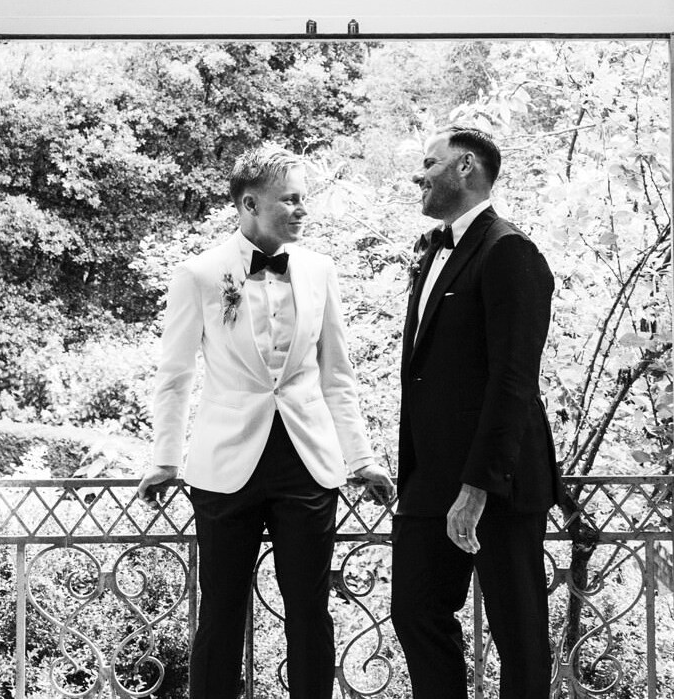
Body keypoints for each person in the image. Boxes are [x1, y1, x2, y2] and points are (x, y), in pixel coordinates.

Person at [136, 144, 395, 699]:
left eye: (304, 199)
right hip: (225, 466)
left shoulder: (320, 271)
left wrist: (362, 458)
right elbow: (175, 376)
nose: (303, 210)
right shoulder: (200, 274)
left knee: (310, 611)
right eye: (290, 200)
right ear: (250, 204)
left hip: (307, 465)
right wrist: (164, 458)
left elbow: (337, 375)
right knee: (221, 613)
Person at [391, 127, 559, 698]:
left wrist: (478, 486)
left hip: (497, 479)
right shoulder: (435, 248)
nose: (419, 174)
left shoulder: (509, 250)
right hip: (430, 477)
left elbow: (514, 380)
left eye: (429, 162)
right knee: (414, 610)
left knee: (519, 635)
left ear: (465, 167)